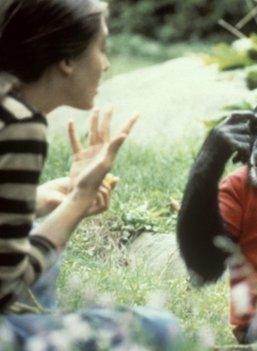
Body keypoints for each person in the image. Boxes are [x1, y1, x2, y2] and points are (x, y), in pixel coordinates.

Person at [0, 0, 182, 349]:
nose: (107, 63)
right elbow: (7, 281)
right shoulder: (20, 125)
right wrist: (77, 203)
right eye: (102, 48)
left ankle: (41, 325)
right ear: (67, 61)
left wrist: (40, 199)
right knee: (160, 328)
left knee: (41, 247)